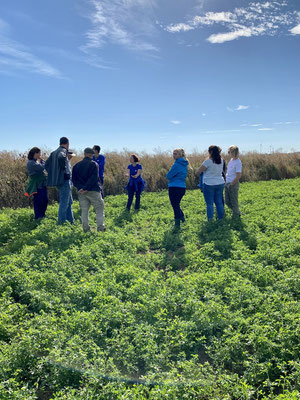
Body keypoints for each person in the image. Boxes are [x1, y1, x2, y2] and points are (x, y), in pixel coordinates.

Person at [72, 147, 105, 232]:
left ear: (84, 154)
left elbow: (74, 180)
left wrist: (80, 188)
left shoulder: (76, 165)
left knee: (84, 210)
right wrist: (86, 188)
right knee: (99, 208)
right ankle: (100, 228)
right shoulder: (94, 164)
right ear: (92, 155)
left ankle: (86, 229)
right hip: (93, 190)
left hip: (81, 192)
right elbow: (94, 178)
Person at [45, 137, 74, 224]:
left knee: (68, 202)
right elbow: (61, 158)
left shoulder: (53, 152)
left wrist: (54, 173)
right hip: (64, 180)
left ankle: (71, 222)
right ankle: (60, 223)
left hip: (58, 181)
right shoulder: (63, 151)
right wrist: (64, 170)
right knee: (64, 203)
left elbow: (46, 165)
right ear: (67, 143)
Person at [198, 145, 225, 221]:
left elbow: (199, 171)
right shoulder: (221, 160)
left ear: (210, 152)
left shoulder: (208, 161)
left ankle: (210, 220)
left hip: (209, 183)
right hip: (220, 182)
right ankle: (221, 219)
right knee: (219, 202)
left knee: (209, 204)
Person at [166, 148, 189, 229]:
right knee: (176, 204)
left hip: (174, 187)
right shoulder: (185, 164)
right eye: (173, 153)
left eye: (176, 154)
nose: (173, 155)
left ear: (180, 155)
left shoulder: (177, 164)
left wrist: (169, 175)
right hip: (182, 187)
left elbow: (168, 176)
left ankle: (177, 224)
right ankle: (182, 219)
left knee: (175, 205)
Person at [25, 147, 48, 219]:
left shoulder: (36, 161)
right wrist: (43, 161)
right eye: (39, 153)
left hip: (42, 184)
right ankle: (38, 217)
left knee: (45, 200)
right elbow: (41, 168)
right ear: (35, 153)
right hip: (37, 185)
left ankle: (42, 215)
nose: (40, 155)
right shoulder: (31, 162)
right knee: (38, 201)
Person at [225, 145, 242, 217]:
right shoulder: (231, 160)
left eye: (230, 152)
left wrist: (231, 184)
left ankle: (236, 215)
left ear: (234, 153)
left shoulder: (238, 162)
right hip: (227, 182)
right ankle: (237, 211)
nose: (228, 154)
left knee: (234, 201)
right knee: (227, 201)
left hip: (233, 184)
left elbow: (238, 175)